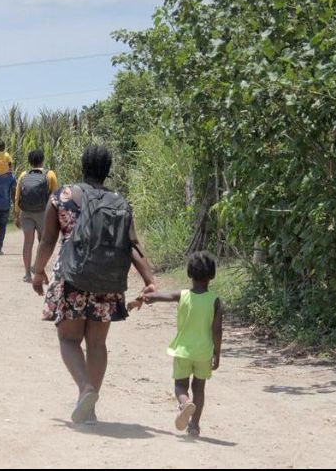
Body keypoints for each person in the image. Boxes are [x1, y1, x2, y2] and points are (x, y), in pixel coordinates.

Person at [32, 145, 157, 425]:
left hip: (72, 278)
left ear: (83, 166)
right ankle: (88, 408)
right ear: (108, 169)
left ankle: (86, 389)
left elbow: (49, 240)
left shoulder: (62, 196)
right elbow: (132, 245)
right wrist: (149, 280)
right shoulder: (119, 201)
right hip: (107, 282)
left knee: (68, 339)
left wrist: (38, 271)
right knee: (97, 344)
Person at [130, 251, 223, 437]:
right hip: (204, 352)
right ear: (212, 275)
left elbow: (156, 297)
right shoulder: (215, 301)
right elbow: (217, 330)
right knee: (199, 388)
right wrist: (217, 353)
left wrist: (139, 299)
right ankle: (194, 425)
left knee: (180, 385)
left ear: (189, 274)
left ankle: (184, 403)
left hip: (183, 351)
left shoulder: (183, 295)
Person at [14, 149, 58, 283]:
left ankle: (27, 274)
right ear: (42, 160)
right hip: (43, 213)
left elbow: (17, 197)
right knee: (42, 242)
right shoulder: (50, 174)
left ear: (30, 161)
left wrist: (16, 214)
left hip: (26, 212)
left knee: (28, 242)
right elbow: (55, 196)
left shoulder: (23, 175)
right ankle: (39, 270)